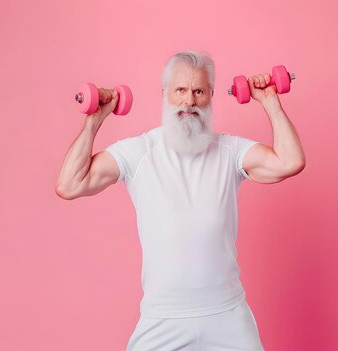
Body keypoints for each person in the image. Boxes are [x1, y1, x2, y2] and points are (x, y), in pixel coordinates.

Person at [55, 50, 305, 350]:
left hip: (227, 313)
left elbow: (289, 162)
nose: (189, 101)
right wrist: (93, 121)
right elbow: (70, 184)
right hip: (163, 318)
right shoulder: (138, 151)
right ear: (165, 94)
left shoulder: (230, 151)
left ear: (211, 95)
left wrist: (270, 102)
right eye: (181, 90)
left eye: (199, 91)